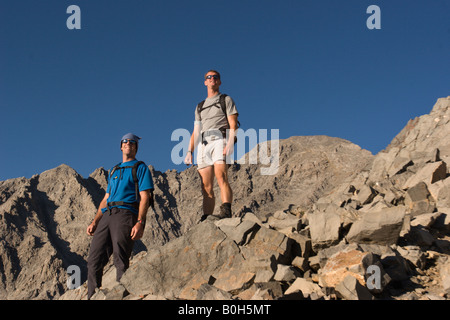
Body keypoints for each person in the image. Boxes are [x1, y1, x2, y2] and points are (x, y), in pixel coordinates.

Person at [86, 133, 154, 299]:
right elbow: (105, 199)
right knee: (94, 258)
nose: (129, 144)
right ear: (121, 146)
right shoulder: (114, 170)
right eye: (125, 142)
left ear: (136, 148)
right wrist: (95, 221)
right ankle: (92, 295)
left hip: (126, 214)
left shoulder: (140, 168)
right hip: (107, 214)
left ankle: (122, 295)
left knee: (120, 258)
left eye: (132, 143)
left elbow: (145, 196)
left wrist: (140, 222)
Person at [184, 70, 239, 221]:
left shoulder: (225, 99)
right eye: (209, 77)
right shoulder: (199, 106)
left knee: (221, 176)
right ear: (205, 82)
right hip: (203, 144)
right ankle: (206, 218)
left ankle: (226, 210)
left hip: (220, 139)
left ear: (219, 82)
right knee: (206, 186)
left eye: (215, 77)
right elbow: (196, 130)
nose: (212, 79)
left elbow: (233, 124)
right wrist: (189, 151)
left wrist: (230, 142)